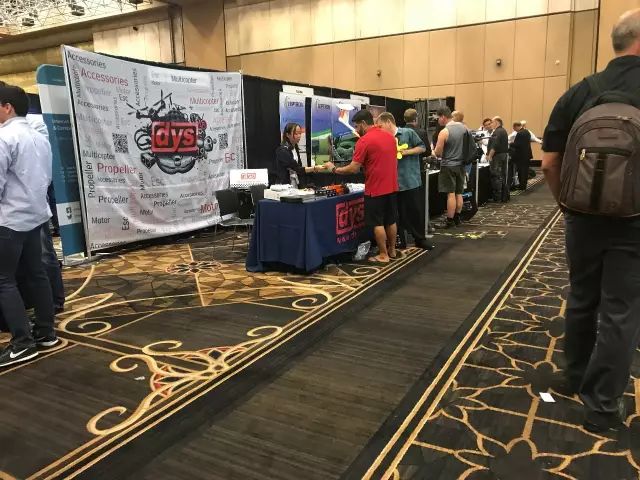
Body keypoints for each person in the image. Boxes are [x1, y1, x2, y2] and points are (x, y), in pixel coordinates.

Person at [542, 8, 640, 434]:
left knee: (582, 296)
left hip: (581, 217)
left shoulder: (579, 92)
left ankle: (573, 374)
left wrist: (567, 205)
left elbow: (549, 162)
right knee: (621, 310)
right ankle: (601, 407)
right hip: (634, 221)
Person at [0, 85, 57, 367]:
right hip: (35, 216)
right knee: (37, 274)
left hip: (9, 220)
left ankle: (22, 343)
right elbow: (47, 178)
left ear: (7, 107)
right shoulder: (39, 138)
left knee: (4, 280)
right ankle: (46, 332)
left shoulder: (4, 137)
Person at [324, 109, 398, 263]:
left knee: (377, 223)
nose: (356, 130)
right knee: (390, 220)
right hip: (392, 186)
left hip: (375, 189)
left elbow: (353, 168)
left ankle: (383, 255)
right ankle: (392, 250)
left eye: (357, 126)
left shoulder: (364, 141)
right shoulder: (390, 137)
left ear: (364, 124)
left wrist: (334, 169)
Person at [376, 112, 432, 250]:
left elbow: (422, 147)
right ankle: (400, 240)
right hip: (392, 183)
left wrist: (405, 152)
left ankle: (420, 239)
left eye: (380, 126)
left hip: (410, 180)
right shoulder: (383, 138)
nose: (379, 129)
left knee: (415, 212)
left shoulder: (408, 133)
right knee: (395, 215)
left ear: (389, 122)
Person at [432, 107, 466, 228]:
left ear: (443, 117)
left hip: (448, 166)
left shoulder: (444, 131)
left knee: (450, 194)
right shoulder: (464, 128)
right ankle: (457, 218)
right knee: (459, 192)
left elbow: (438, 153)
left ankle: (449, 220)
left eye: (438, 118)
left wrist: (432, 152)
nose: (438, 121)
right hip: (461, 165)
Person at [486, 116, 509, 202]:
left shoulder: (497, 132)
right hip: (503, 155)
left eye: (492, 122)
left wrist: (490, 156)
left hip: (497, 156)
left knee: (496, 176)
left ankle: (497, 197)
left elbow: (494, 145)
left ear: (497, 122)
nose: (491, 124)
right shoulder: (503, 130)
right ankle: (504, 196)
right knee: (502, 175)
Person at [510, 122, 534, 190]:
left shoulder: (520, 133)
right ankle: (523, 185)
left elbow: (517, 144)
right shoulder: (527, 132)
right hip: (527, 154)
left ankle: (522, 186)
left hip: (521, 156)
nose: (514, 130)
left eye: (514, 128)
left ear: (516, 126)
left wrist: (511, 143)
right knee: (525, 171)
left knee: (521, 171)